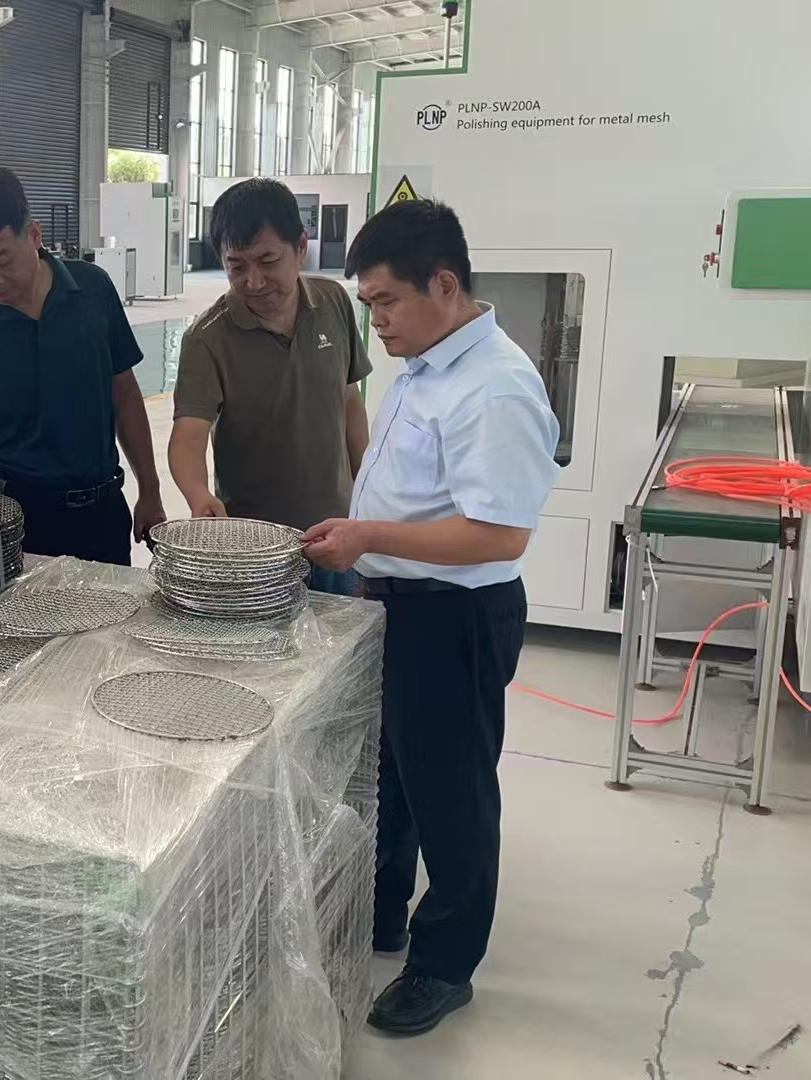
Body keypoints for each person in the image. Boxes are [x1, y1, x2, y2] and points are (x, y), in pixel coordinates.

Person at [302, 199, 559, 1035]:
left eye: (386, 301)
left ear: (443, 285)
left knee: (452, 794)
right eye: (368, 303)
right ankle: (382, 913)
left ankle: (444, 966)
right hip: (402, 607)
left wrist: (369, 537)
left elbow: (498, 532)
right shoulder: (428, 364)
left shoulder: (496, 389)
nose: (375, 320)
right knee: (395, 776)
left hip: (456, 617)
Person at [0, 168, 164, 564]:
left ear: (34, 235)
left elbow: (125, 396)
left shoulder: (93, 291)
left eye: (3, 259)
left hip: (100, 514)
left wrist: (150, 490)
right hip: (7, 522)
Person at [168, 178, 371, 595]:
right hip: (256, 551)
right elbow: (189, 433)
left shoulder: (333, 302)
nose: (254, 282)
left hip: (337, 534)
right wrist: (197, 493)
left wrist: (367, 487)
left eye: (267, 261)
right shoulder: (207, 338)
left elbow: (350, 401)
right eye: (237, 266)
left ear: (300, 248)